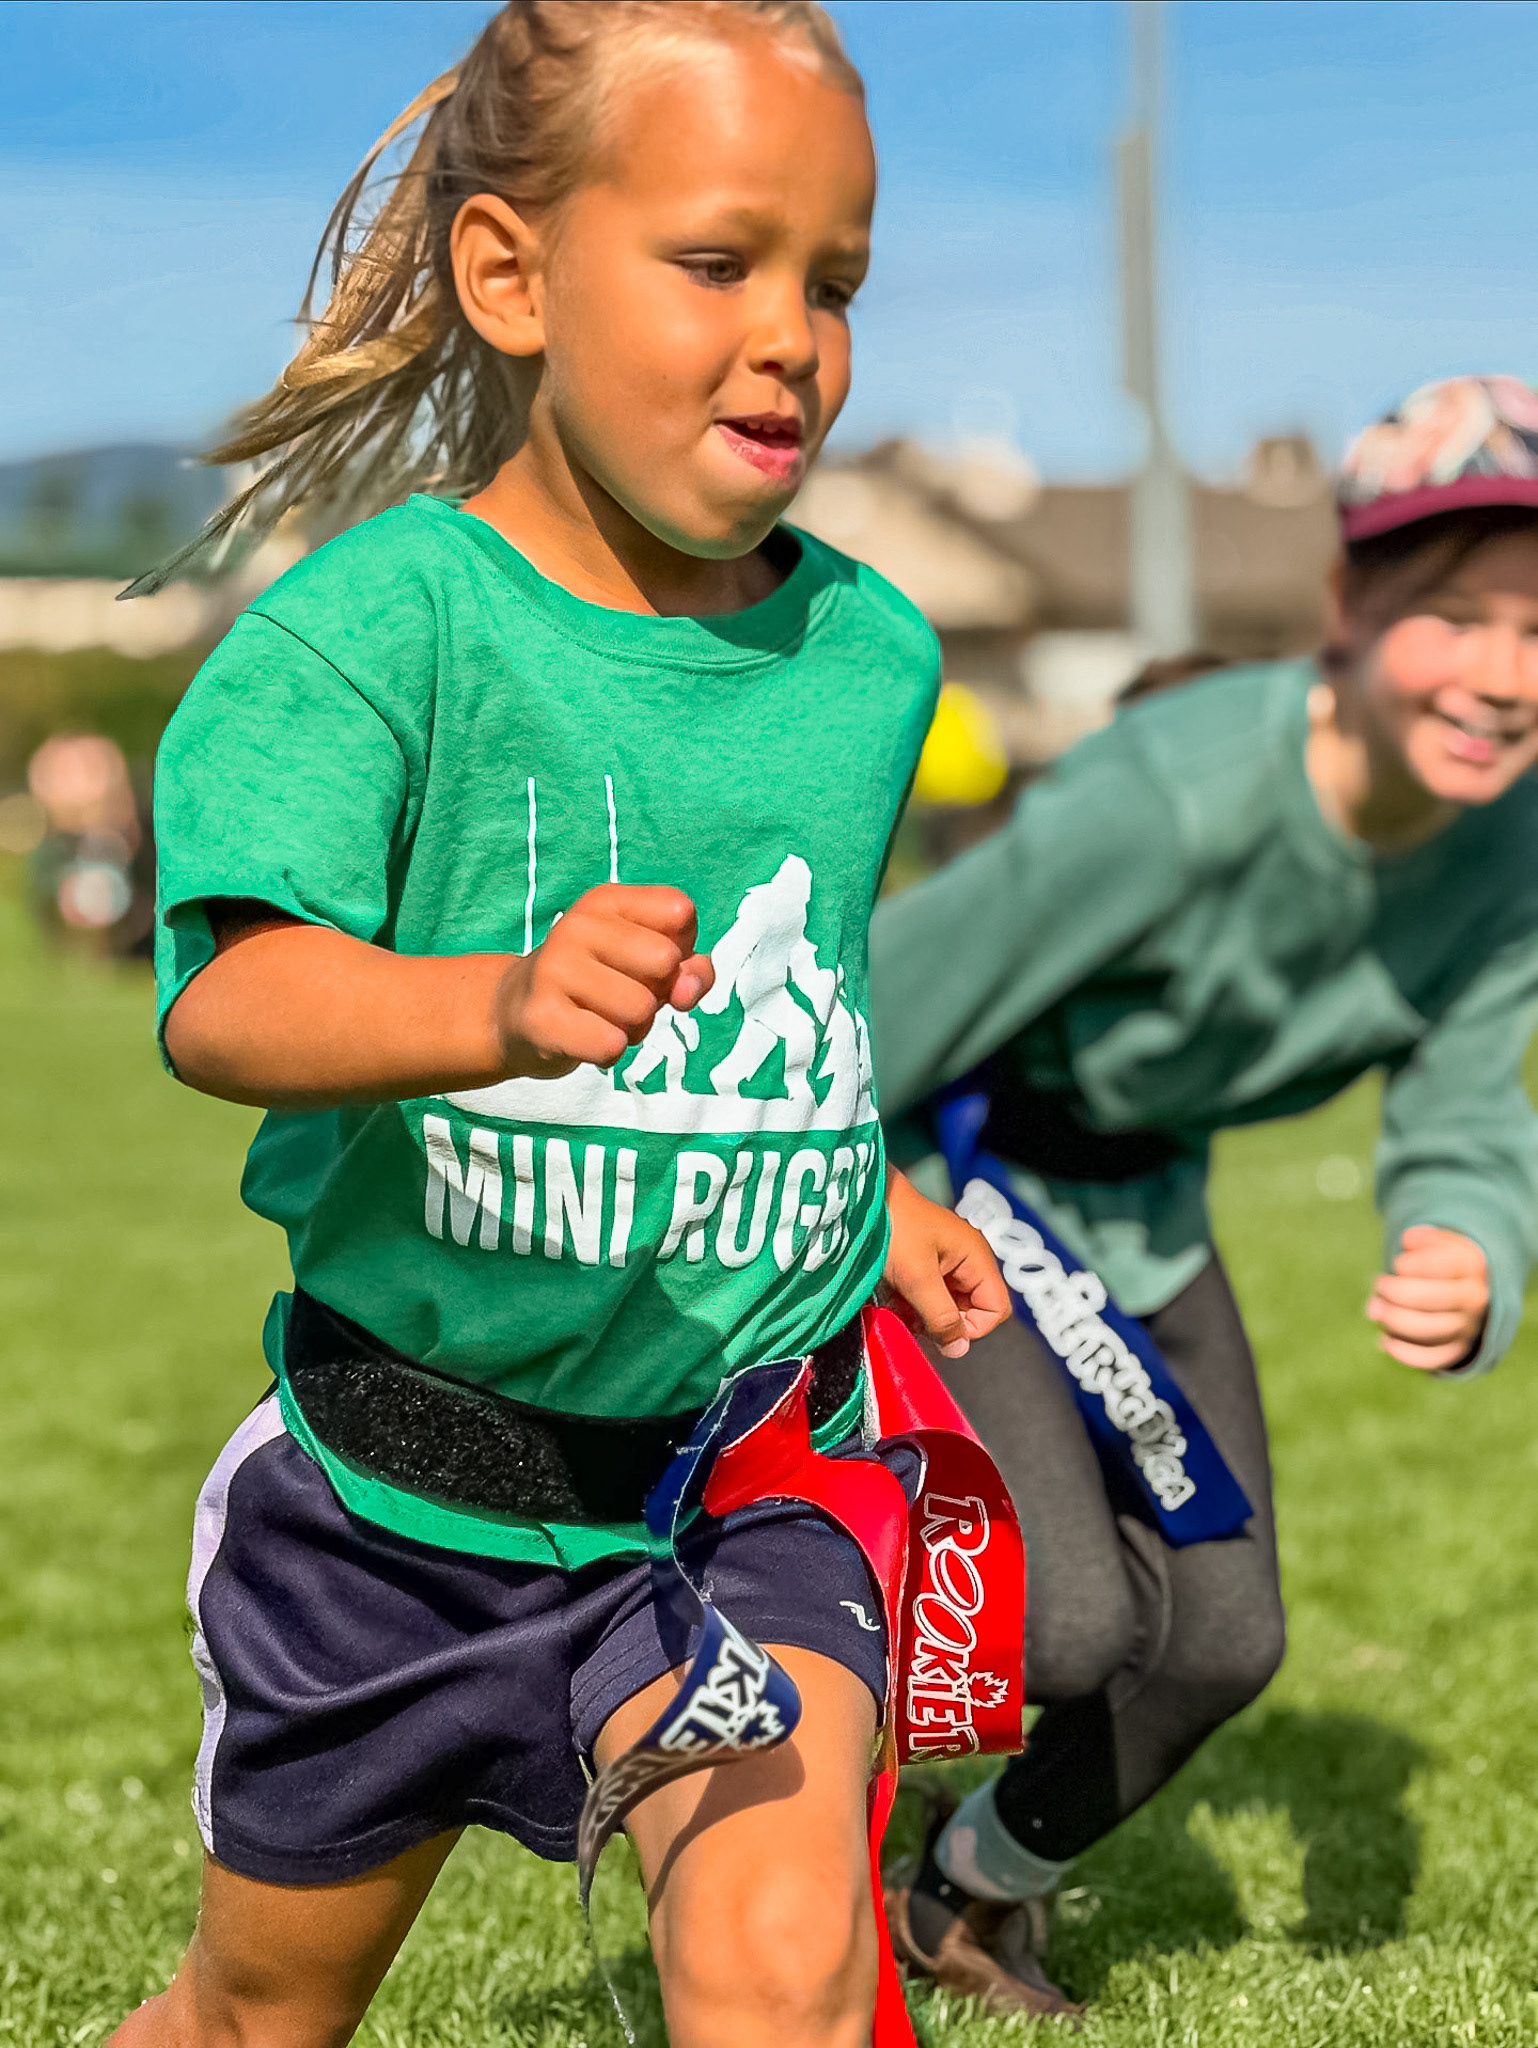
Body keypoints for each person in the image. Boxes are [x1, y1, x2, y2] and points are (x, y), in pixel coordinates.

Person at [112, 9, 1010, 2047]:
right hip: (400, 1498)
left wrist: (863, 1203)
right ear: (511, 276)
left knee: (778, 1968)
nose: (790, 338)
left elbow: (794, 1020)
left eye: (834, 284)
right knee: (255, 2015)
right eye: (717, 261)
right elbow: (228, 1000)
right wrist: (495, 1005)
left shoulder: (868, 654)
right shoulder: (370, 628)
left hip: (749, 1470)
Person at [869, 373, 1538, 2017]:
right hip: (963, 1172)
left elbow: (1463, 1105)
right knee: (1061, 1628)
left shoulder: (1511, 851)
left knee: (1221, 1644)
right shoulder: (1173, 798)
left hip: (1145, 1212)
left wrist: (1466, 1236)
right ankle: (756, 1739)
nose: (1503, 675)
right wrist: (860, 1209)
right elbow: (877, 1008)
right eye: (1455, 617)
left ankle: (959, 1892)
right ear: (1344, 609)